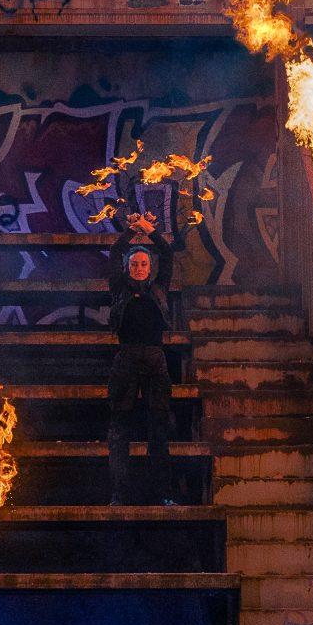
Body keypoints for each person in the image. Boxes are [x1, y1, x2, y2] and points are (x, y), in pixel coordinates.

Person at [107, 210, 185, 505]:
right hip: (126, 359)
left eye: (143, 264)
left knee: (158, 430)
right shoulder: (119, 289)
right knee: (120, 430)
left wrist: (146, 228)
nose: (139, 268)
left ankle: (163, 494)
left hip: (154, 360)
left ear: (150, 268)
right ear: (128, 268)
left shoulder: (159, 288)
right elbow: (115, 251)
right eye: (134, 264)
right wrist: (131, 230)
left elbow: (166, 252)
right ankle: (119, 494)